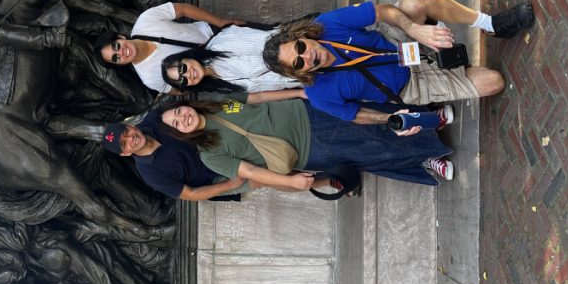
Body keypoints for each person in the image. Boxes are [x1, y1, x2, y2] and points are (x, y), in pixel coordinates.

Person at [262, 0, 536, 127]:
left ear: (300, 36)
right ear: (297, 74)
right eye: (298, 63)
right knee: (494, 81)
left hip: (396, 43)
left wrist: (415, 29)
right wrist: (391, 119)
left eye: (299, 47)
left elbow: (381, 11)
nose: (306, 56)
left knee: (414, 2)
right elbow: (355, 115)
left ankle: (492, 23)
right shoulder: (319, 94)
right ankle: (453, 64)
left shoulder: (326, 25)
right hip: (410, 86)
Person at [160, 97, 457, 185]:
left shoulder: (214, 103)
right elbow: (249, 173)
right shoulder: (209, 155)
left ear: (182, 105)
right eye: (176, 123)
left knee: (373, 115)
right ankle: (425, 158)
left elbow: (255, 98)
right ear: (179, 133)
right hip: (307, 149)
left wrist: (297, 92)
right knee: (372, 152)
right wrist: (291, 182)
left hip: (306, 112)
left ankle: (429, 119)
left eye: (177, 112)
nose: (182, 118)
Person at [101, 109, 250, 201]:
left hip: (215, 143)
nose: (131, 139)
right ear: (125, 153)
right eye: (124, 143)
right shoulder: (151, 175)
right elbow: (191, 194)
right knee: (258, 178)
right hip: (217, 177)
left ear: (131, 126)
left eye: (126, 132)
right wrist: (230, 185)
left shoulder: (155, 119)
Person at [93, 1, 240, 93]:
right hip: (219, 71)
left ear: (120, 37)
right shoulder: (149, 78)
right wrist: (206, 81)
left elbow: (183, 9)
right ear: (120, 64)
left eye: (116, 46)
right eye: (116, 57)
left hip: (216, 34)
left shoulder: (145, 21)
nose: (121, 52)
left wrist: (221, 22)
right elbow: (176, 90)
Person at [159, 23, 303, 94]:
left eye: (182, 68)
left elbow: (273, 43)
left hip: (305, 49)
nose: (188, 74)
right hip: (304, 78)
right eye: (183, 80)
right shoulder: (219, 86)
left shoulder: (220, 44)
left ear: (186, 57)